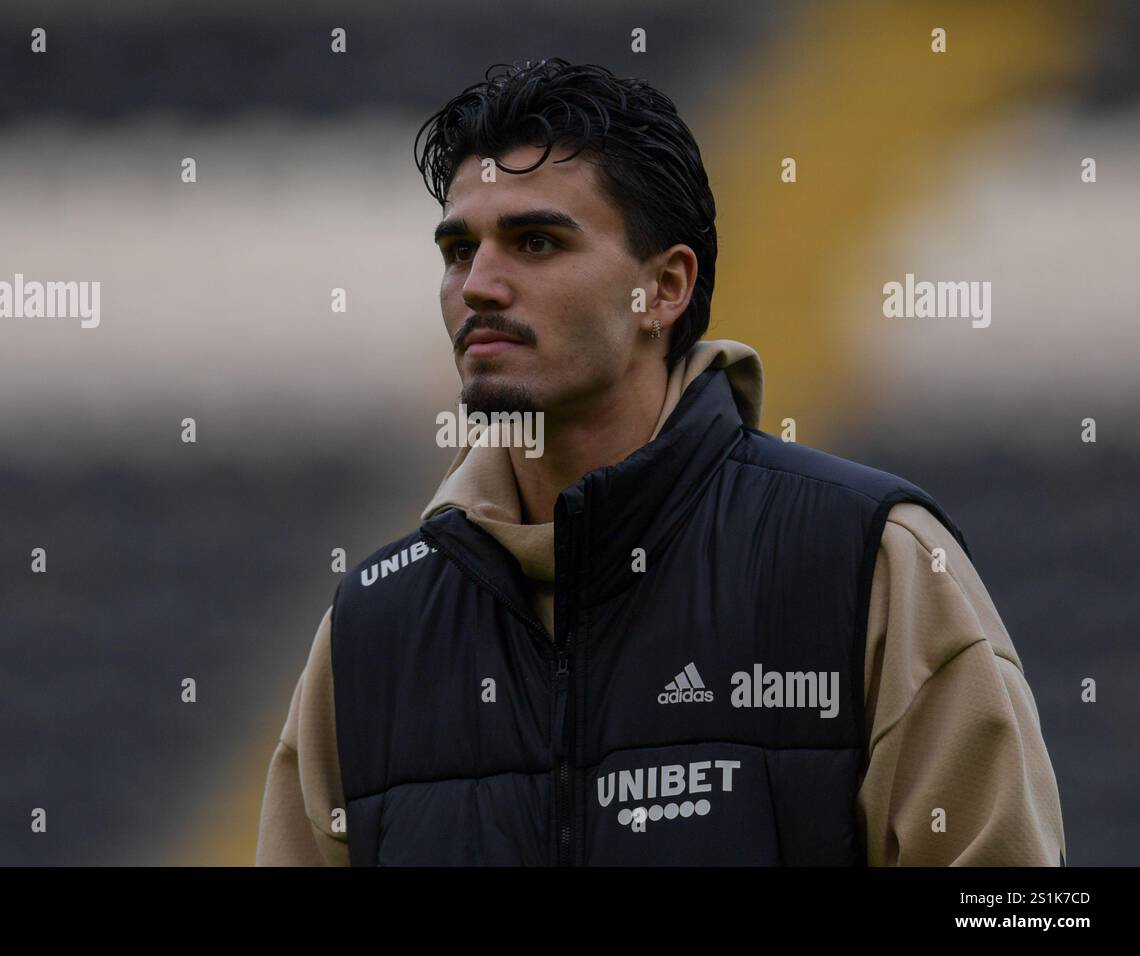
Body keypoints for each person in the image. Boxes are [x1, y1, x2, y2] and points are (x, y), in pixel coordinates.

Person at [256, 59, 1065, 866]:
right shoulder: (370, 632)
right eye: (460, 250)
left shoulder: (868, 562)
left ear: (666, 288)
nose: (480, 287)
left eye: (536, 242)